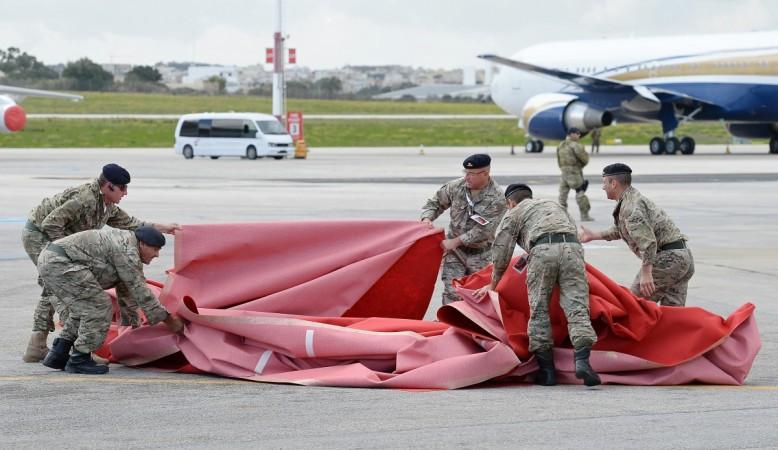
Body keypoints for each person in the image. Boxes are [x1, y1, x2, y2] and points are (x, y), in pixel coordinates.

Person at [21, 163, 180, 363]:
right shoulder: (84, 199)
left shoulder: (107, 206)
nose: (126, 193)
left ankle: (44, 346)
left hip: (62, 243)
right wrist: (67, 252)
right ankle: (77, 347)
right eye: (122, 188)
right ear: (109, 186)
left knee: (62, 286)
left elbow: (131, 224)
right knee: (61, 287)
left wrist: (162, 227)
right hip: (39, 234)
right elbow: (50, 224)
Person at [473, 183, 600, 386]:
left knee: (539, 309)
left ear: (510, 202)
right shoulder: (554, 205)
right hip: (572, 249)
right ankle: (582, 361)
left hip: (542, 250)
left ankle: (547, 372)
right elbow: (572, 230)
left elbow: (501, 252)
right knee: (577, 307)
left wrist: (493, 283)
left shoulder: (514, 212)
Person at [39, 226, 185, 374]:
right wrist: (169, 320)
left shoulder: (129, 244)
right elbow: (140, 290)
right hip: (60, 262)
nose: (157, 255)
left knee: (84, 308)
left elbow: (125, 287)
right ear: (142, 244)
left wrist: (133, 321)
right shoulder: (128, 251)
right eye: (155, 249)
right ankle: (79, 359)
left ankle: (59, 353)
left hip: (53, 260)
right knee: (99, 306)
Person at [578, 163, 694, 306]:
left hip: (668, 261)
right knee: (673, 315)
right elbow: (623, 229)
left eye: (604, 183)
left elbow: (649, 243)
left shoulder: (630, 208)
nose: (603, 187)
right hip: (683, 257)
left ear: (613, 183)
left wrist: (646, 273)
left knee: (632, 307)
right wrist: (593, 235)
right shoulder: (632, 199)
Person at [421, 154, 506, 305]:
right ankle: (448, 326)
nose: (467, 177)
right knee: (452, 293)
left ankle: (470, 327)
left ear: (485, 174)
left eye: (471, 174)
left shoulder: (497, 198)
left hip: (481, 255)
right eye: (465, 172)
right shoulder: (456, 187)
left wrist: (455, 241)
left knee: (477, 297)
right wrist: (427, 219)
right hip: (455, 254)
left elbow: (483, 231)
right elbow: (435, 203)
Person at [557, 127, 593, 222]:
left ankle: (561, 216)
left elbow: (559, 160)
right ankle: (584, 215)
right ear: (572, 134)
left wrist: (564, 168)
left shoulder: (561, 145)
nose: (579, 135)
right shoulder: (576, 146)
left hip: (564, 172)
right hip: (574, 172)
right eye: (577, 133)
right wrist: (578, 167)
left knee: (562, 195)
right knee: (580, 191)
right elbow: (585, 159)